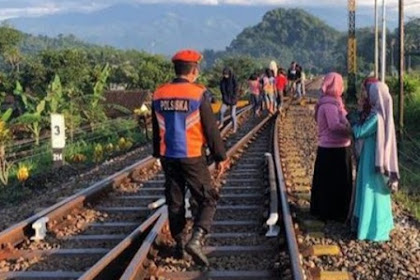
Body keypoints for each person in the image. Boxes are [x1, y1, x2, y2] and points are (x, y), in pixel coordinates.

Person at [152, 49, 228, 266]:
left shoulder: (159, 94)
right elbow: (211, 129)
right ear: (194, 70)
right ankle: (196, 238)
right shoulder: (197, 94)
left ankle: (179, 244)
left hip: (168, 156)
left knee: (174, 201)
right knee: (208, 197)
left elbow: (157, 129)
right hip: (192, 155)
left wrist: (158, 154)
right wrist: (220, 156)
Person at [351, 81, 399, 242]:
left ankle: (370, 230)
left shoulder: (376, 117)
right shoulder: (384, 114)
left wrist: (351, 121)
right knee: (379, 193)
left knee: (370, 192)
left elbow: (359, 132)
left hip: (371, 159)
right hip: (376, 157)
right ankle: (379, 227)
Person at [310, 72, 353, 222]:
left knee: (327, 182)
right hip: (335, 148)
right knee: (336, 183)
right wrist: (350, 129)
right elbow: (334, 125)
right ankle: (335, 213)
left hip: (331, 147)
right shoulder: (330, 104)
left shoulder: (333, 102)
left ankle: (327, 210)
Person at [219, 67, 238, 132]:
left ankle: (234, 127)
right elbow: (222, 91)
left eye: (226, 74)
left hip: (233, 100)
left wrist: (234, 98)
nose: (225, 76)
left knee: (232, 114)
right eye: (224, 74)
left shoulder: (234, 81)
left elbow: (236, 91)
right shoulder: (222, 82)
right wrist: (225, 99)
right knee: (221, 111)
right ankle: (221, 123)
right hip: (226, 99)